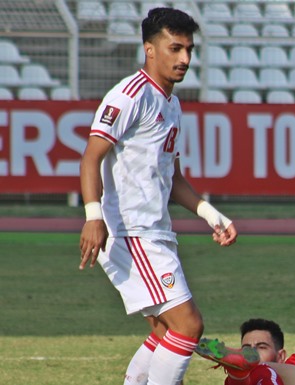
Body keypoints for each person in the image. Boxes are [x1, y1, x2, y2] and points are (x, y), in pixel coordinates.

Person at [78, 7, 238, 385]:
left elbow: (172, 177)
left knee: (167, 332)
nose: (184, 59)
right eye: (175, 48)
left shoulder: (172, 103)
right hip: (132, 234)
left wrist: (210, 214)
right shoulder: (130, 96)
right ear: (150, 49)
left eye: (189, 50)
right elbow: (91, 158)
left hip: (154, 232)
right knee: (188, 325)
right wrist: (92, 215)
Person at [197, 271, 295, 385]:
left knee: (259, 370)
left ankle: (238, 372)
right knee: (247, 377)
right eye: (246, 349)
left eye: (261, 347)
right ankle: (238, 373)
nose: (252, 352)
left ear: (280, 355)